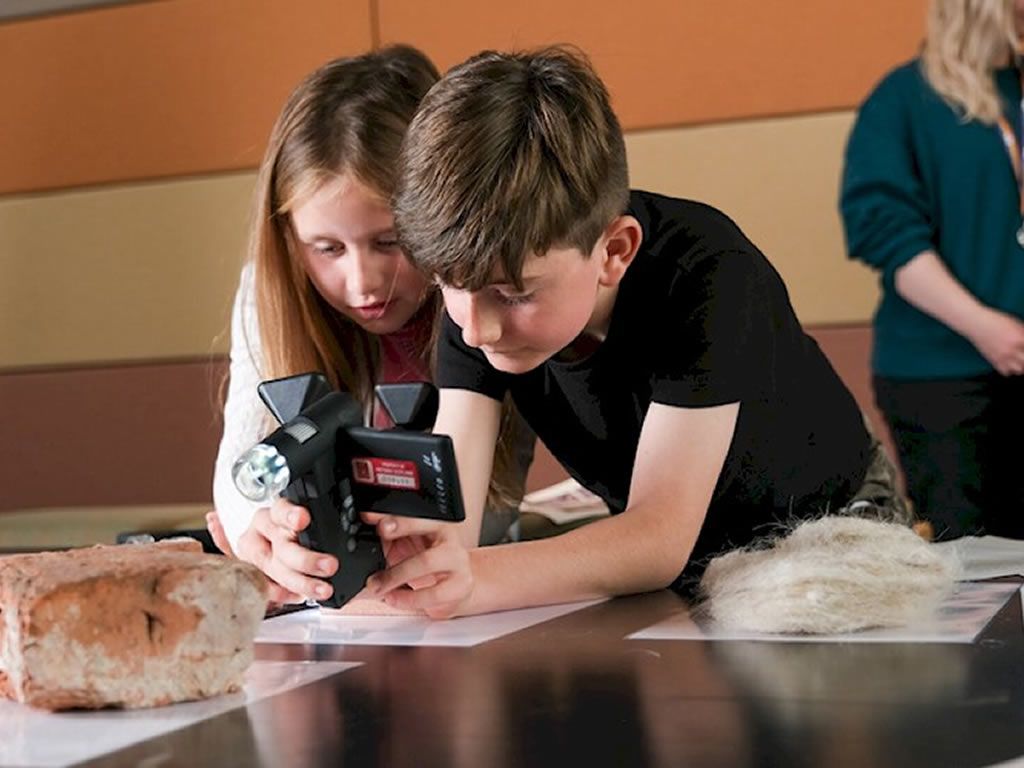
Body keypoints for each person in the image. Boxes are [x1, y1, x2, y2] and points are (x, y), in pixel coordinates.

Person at [321, 45, 906, 619]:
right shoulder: (477, 295)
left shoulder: (709, 272)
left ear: (614, 252)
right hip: (689, 561)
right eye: (448, 285)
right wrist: (376, 553)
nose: (475, 330)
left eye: (516, 293)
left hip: (831, 524)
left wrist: (473, 579)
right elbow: (453, 513)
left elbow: (655, 538)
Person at [209, 46, 531, 604]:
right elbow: (242, 467)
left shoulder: (488, 303)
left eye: (390, 242)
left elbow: (479, 521)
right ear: (288, 239)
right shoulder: (267, 292)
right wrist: (265, 534)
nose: (363, 284)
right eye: (327, 247)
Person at [840, 0, 1024, 541]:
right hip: (941, 376)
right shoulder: (905, 99)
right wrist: (987, 328)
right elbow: (888, 236)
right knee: (969, 558)